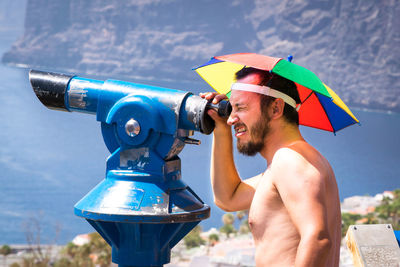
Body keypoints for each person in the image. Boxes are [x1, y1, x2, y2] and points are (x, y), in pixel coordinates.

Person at [200, 67, 341, 267]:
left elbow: (317, 239)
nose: (231, 119)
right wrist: (220, 129)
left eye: (241, 108)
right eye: (231, 109)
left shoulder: (289, 161)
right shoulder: (294, 161)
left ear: (275, 109)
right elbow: (228, 198)